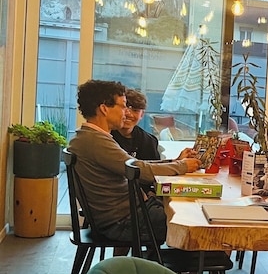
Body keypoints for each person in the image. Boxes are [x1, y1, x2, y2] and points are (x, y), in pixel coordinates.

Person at [67, 79, 200, 243]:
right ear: (104, 109)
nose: (126, 113)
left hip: (125, 215)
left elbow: (134, 163)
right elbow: (139, 170)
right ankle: (169, 260)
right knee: (193, 221)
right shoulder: (95, 141)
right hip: (124, 222)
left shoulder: (88, 137)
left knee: (186, 211)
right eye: (123, 106)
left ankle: (158, 259)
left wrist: (175, 161)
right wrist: (182, 166)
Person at [111, 88, 161, 160]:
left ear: (142, 114)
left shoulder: (148, 141)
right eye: (124, 109)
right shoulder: (105, 136)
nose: (129, 114)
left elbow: (154, 165)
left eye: (135, 110)